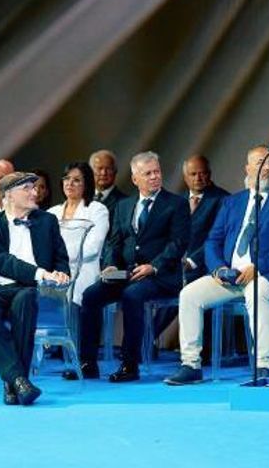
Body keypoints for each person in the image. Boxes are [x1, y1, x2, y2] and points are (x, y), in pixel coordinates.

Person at [165, 146, 269, 385]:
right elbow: (213, 241)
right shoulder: (233, 202)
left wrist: (258, 267)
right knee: (189, 294)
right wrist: (218, 269)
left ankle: (262, 364)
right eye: (262, 162)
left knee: (256, 290)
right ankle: (191, 364)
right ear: (248, 169)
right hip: (231, 276)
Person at [72, 152, 189, 382]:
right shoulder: (124, 206)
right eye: (148, 173)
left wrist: (153, 267)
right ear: (135, 179)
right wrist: (110, 265)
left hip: (160, 276)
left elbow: (178, 244)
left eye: (157, 172)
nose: (155, 177)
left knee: (132, 295)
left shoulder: (176, 204)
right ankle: (87, 362)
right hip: (126, 273)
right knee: (91, 295)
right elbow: (115, 242)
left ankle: (129, 364)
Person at [0, 172, 70, 406]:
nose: (35, 192)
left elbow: (61, 258)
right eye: (28, 188)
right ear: (9, 195)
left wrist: (62, 272)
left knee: (26, 300)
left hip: (27, 287)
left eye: (35, 187)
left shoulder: (47, 221)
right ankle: (19, 379)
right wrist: (39, 273)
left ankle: (13, 384)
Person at [47, 162, 109, 308]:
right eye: (66, 179)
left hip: (83, 272)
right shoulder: (51, 213)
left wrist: (58, 255)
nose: (70, 183)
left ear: (86, 184)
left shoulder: (97, 210)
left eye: (76, 180)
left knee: (73, 298)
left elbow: (92, 248)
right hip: (54, 272)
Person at [181, 154, 230, 283]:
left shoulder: (224, 200)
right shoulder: (178, 201)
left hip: (206, 269)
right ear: (185, 177)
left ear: (209, 174)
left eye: (202, 173)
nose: (198, 178)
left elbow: (218, 238)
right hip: (177, 269)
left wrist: (192, 262)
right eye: (193, 174)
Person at [89, 149, 130, 221]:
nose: (103, 173)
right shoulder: (80, 200)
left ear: (115, 171)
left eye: (108, 169)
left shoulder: (125, 203)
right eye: (99, 168)